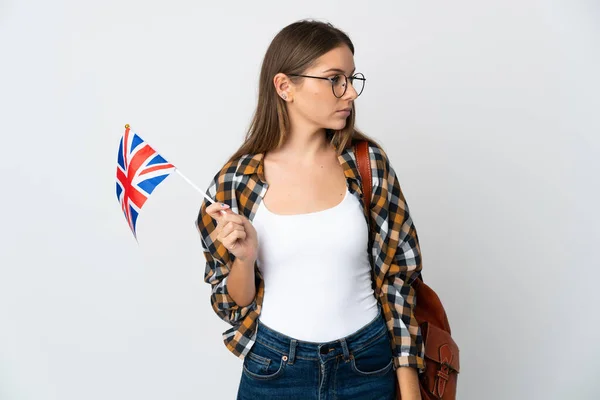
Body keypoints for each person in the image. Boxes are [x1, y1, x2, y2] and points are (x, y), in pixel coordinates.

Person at [196, 19, 425, 400]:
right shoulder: (235, 182)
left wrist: (410, 390)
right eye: (335, 78)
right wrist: (244, 258)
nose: (350, 93)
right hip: (274, 371)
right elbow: (234, 300)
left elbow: (397, 280)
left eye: (352, 79)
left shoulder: (368, 165)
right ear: (285, 86)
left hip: (368, 365)